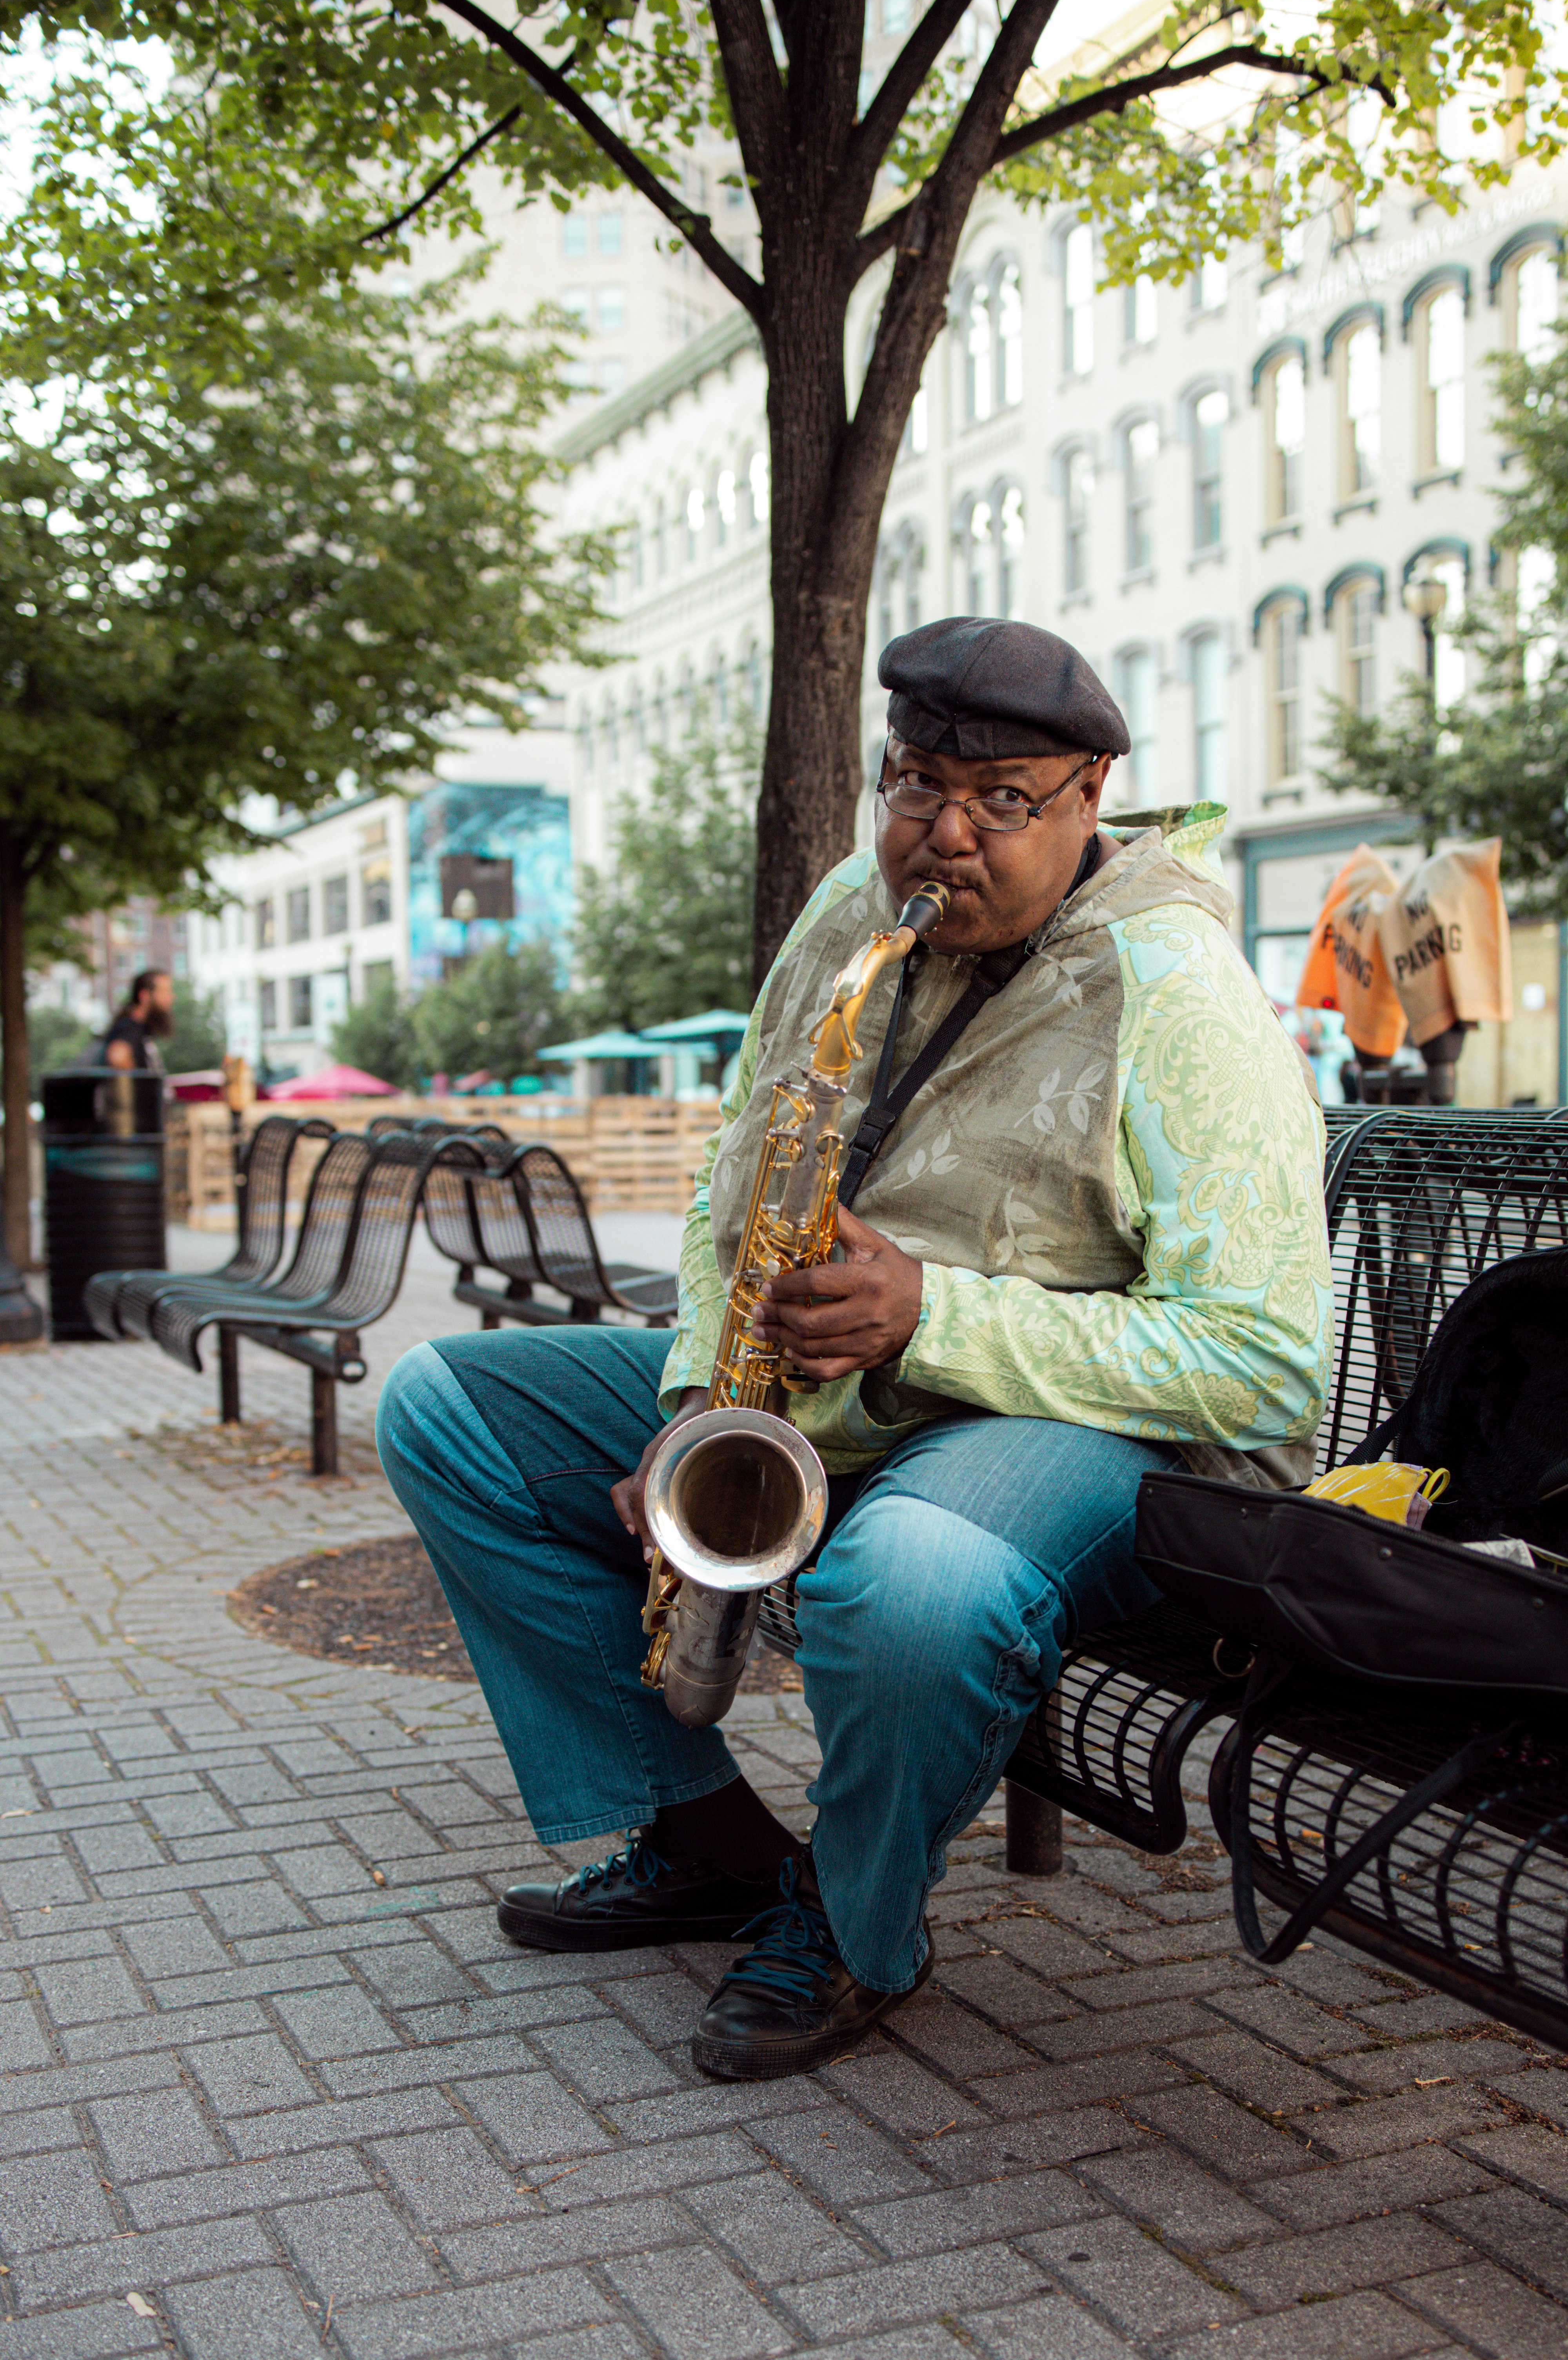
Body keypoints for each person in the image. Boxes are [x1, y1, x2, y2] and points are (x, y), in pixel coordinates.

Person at [377, 614, 1332, 2083]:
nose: (943, 836)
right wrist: (698, 1395)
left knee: (912, 1576)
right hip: (831, 1394)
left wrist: (935, 1313)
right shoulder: (855, 901)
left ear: (1089, 796)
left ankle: (853, 1918)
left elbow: (1265, 1363)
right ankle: (701, 1837)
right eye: (914, 783)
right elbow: (729, 1179)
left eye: (1001, 798)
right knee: (448, 1405)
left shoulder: (1180, 992)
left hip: (1092, 1437)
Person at [102, 968, 174, 1071]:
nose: (171, 997)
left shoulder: (141, 1029)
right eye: (164, 992)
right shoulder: (130, 1028)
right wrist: (139, 1085)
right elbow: (117, 1058)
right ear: (145, 996)